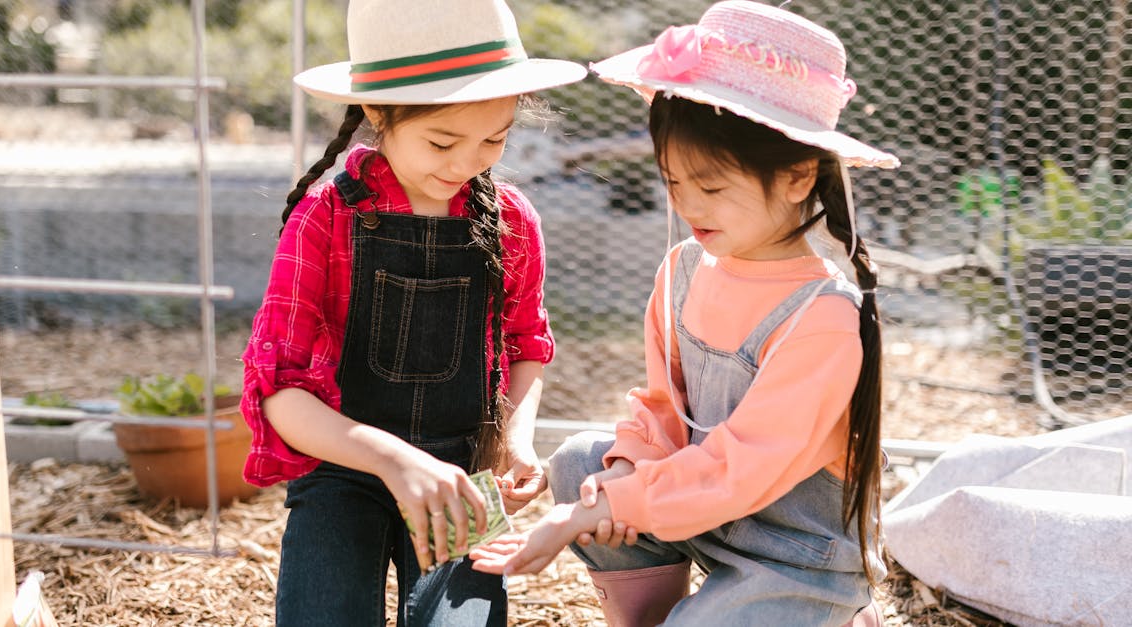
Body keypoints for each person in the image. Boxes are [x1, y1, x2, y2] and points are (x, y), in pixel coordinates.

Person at [470, 2, 899, 625]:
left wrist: (588, 514)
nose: (690, 205)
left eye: (713, 186)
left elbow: (736, 471)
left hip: (794, 557)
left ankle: (829, 614)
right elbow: (663, 412)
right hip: (703, 518)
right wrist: (615, 485)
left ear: (798, 177)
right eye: (674, 184)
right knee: (584, 464)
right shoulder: (683, 271)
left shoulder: (822, 318)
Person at [238, 1, 585, 624]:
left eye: (493, 140)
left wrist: (516, 438)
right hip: (341, 470)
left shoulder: (511, 222)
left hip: (460, 475)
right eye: (442, 141)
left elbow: (526, 345)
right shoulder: (326, 219)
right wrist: (395, 461)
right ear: (378, 112)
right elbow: (279, 394)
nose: (465, 163)